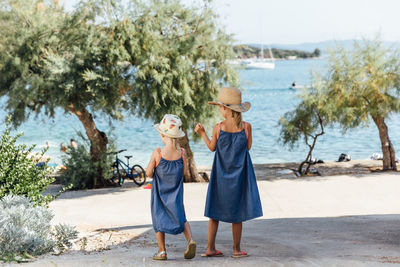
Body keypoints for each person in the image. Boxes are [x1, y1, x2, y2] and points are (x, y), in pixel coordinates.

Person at [195, 87, 263, 258]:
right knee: (237, 213)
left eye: (220, 107)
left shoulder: (218, 128)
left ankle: (210, 248)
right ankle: (236, 249)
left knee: (214, 212)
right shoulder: (247, 127)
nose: (219, 110)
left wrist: (202, 133)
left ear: (226, 109)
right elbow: (248, 147)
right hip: (239, 175)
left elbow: (212, 148)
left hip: (220, 175)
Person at [146, 114, 197, 261]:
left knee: (158, 220)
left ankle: (162, 251)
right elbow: (185, 172)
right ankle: (190, 240)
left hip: (160, 195)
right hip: (176, 193)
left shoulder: (158, 153)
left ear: (163, 135)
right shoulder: (181, 152)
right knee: (182, 218)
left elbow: (149, 174)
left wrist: (155, 169)